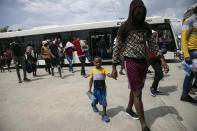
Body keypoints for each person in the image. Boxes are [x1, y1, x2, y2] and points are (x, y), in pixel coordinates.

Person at [111, 0, 169, 131]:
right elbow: (117, 47)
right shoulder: (124, 27)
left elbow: (153, 45)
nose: (140, 15)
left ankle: (128, 109)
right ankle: (143, 125)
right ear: (132, 12)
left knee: (136, 89)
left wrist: (162, 60)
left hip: (144, 62)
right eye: (138, 12)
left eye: (143, 12)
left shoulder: (146, 27)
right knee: (138, 93)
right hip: (130, 62)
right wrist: (114, 67)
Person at [181, 5, 197, 103]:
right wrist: (186, 54)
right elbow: (183, 39)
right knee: (190, 74)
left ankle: (184, 95)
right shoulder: (189, 21)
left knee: (189, 75)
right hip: (193, 52)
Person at [88, 56, 112, 122]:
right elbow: (91, 80)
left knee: (104, 101)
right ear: (94, 63)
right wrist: (90, 89)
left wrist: (112, 75)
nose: (98, 63)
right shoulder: (93, 71)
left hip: (103, 89)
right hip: (96, 89)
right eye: (96, 62)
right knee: (95, 100)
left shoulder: (104, 69)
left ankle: (104, 114)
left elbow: (108, 74)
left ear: (101, 62)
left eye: (99, 62)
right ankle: (93, 105)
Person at [147, 30, 167, 97]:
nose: (155, 36)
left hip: (158, 58)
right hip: (152, 59)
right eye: (154, 35)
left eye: (156, 35)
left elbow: (163, 50)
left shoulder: (158, 41)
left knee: (157, 74)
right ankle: (152, 88)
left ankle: (155, 89)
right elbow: (152, 50)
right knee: (160, 75)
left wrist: (161, 50)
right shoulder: (148, 42)